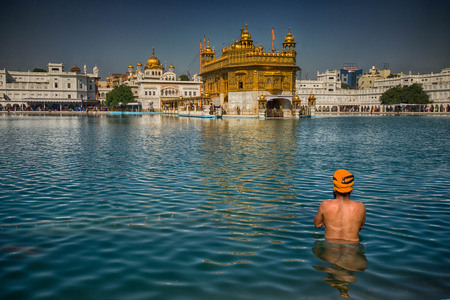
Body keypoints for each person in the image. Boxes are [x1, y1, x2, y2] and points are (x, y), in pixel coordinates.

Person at [314, 169, 366, 243]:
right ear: (351, 189)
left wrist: (327, 220)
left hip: (330, 246)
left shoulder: (325, 205)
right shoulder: (360, 207)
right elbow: (359, 227)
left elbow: (317, 224)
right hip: (352, 249)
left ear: (334, 188)